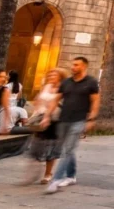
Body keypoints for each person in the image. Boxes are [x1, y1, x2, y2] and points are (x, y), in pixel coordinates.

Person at [45, 57, 100, 194]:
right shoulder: (66, 82)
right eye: (72, 64)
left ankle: (56, 180)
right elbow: (56, 99)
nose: (73, 67)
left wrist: (92, 119)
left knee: (67, 150)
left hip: (79, 121)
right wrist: (47, 116)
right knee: (68, 149)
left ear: (84, 66)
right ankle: (71, 176)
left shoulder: (91, 82)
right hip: (63, 120)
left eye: (76, 65)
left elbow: (95, 101)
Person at [23, 68, 66, 185]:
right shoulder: (46, 87)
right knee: (36, 145)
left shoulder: (63, 89)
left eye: (54, 75)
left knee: (52, 147)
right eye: (50, 75)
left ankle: (48, 173)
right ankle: (34, 171)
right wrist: (34, 115)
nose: (51, 77)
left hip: (55, 121)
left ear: (60, 77)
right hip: (41, 119)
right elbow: (38, 101)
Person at [0, 68, 11, 134]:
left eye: (4, 77)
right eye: (0, 76)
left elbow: (6, 109)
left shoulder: (4, 90)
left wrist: (5, 124)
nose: (3, 79)